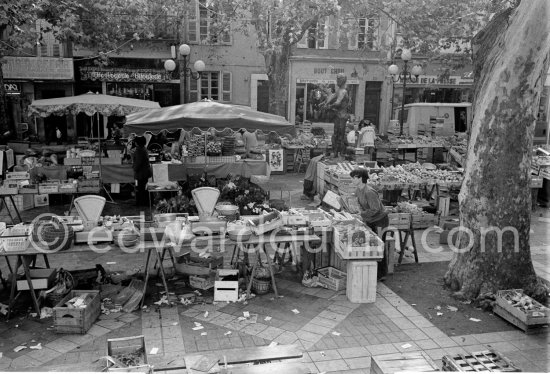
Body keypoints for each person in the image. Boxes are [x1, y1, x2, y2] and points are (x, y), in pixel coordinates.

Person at [349, 168, 389, 279]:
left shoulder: (369, 191)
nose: (352, 180)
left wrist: (361, 214)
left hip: (380, 221)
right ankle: (373, 271)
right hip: (370, 220)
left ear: (360, 178)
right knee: (372, 245)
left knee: (379, 245)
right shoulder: (358, 190)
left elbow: (375, 209)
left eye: (354, 178)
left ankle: (381, 274)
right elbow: (358, 203)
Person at [322, 73, 350, 158]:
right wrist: (324, 103)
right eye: (337, 79)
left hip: (342, 116)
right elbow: (332, 97)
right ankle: (335, 153)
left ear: (342, 80)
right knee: (336, 134)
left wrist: (329, 106)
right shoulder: (339, 90)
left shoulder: (343, 91)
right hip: (338, 116)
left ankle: (340, 153)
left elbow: (337, 102)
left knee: (340, 135)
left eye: (338, 79)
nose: (337, 81)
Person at [132, 136, 152, 207]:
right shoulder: (143, 149)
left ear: (137, 143)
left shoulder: (139, 150)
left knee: (141, 188)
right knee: (144, 187)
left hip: (142, 173)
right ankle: (144, 202)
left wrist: (134, 168)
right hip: (145, 172)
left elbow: (138, 162)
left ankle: (141, 203)